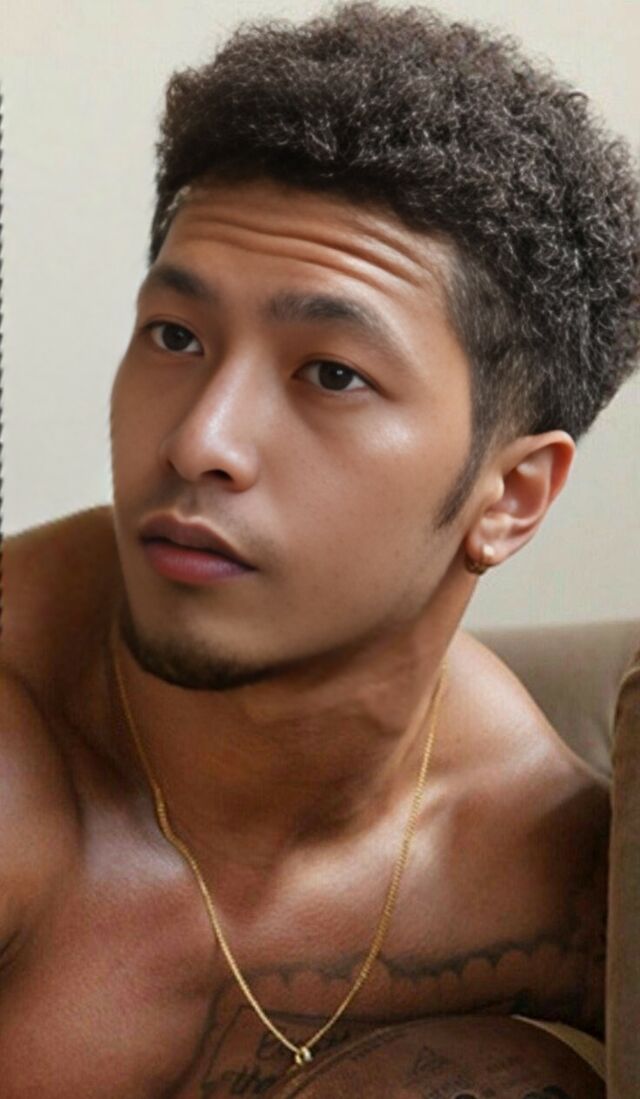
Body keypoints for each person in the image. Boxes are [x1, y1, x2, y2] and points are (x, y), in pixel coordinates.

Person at [2, 1, 638, 1095]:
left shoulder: (550, 876)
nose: (201, 440)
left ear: (510, 496)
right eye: (176, 336)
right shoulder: (24, 741)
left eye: (331, 373)